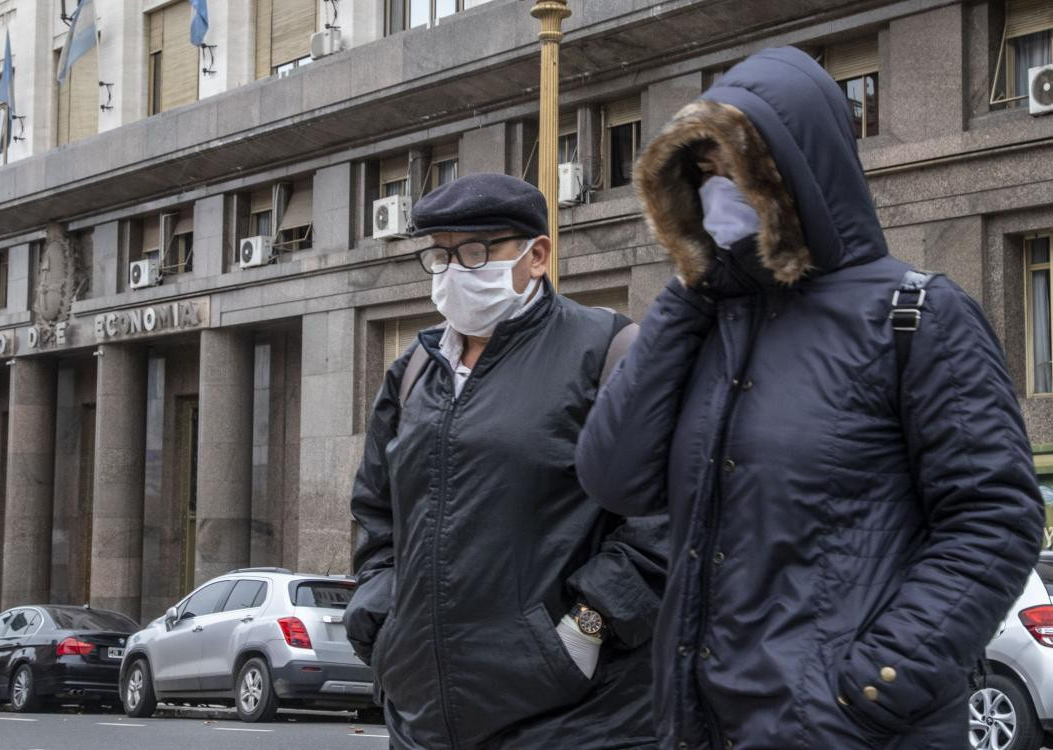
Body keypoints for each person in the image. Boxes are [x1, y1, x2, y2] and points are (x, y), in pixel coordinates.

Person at [574, 46, 1045, 750]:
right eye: (700, 174)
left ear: (795, 171)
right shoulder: (708, 319)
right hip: (700, 727)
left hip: (848, 730)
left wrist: (868, 691)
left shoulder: (916, 315)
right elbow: (614, 478)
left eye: (733, 168)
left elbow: (995, 519)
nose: (715, 191)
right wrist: (688, 286)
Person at [346, 173, 667, 750]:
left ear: (536, 254)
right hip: (423, 722)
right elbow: (376, 514)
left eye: (474, 252)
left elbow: (663, 519)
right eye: (439, 255)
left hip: (576, 722)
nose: (452, 271)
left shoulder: (607, 351)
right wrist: (383, 614)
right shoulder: (412, 372)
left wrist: (588, 628)